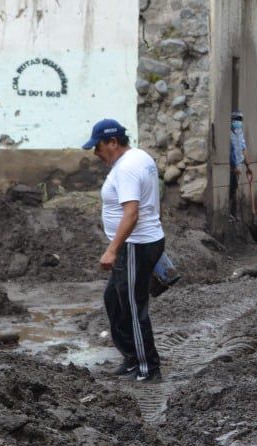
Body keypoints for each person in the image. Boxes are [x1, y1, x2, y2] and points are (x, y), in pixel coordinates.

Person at [82, 118, 165, 382]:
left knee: (131, 306)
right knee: (114, 300)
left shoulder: (127, 167)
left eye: (98, 147)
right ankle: (131, 357)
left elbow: (131, 214)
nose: (96, 154)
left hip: (134, 246)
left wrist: (112, 249)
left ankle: (147, 368)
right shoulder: (139, 157)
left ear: (113, 142)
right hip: (140, 243)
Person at [230, 109, 252, 219]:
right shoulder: (228, 133)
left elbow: (243, 148)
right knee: (232, 187)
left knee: (235, 188)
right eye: (236, 119)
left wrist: (248, 165)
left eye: (240, 119)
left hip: (239, 164)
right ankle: (231, 213)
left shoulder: (240, 132)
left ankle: (235, 213)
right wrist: (233, 168)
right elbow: (229, 151)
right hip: (231, 166)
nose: (238, 121)